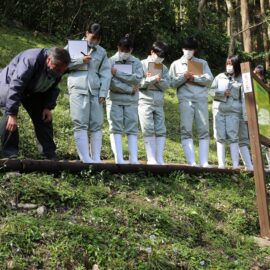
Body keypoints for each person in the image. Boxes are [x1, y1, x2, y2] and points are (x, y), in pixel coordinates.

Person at [0, 47, 70, 160]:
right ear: (48, 60)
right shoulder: (30, 60)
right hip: (10, 84)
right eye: (57, 69)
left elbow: (53, 88)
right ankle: (10, 156)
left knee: (44, 117)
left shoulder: (59, 66)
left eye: (62, 70)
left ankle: (48, 154)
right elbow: (16, 85)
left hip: (33, 89)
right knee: (9, 119)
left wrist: (47, 107)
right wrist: (12, 114)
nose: (59, 73)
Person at [67, 23, 111, 163]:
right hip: (78, 88)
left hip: (96, 90)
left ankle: (96, 158)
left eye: (98, 38)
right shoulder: (74, 46)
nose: (94, 40)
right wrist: (81, 60)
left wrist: (103, 92)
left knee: (97, 123)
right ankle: (85, 158)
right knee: (80, 122)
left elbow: (106, 73)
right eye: (92, 37)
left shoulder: (101, 52)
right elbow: (62, 63)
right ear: (86, 33)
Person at [169, 37, 213, 167]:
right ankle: (191, 162)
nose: (188, 51)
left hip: (201, 99)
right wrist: (184, 77)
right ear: (182, 49)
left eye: (191, 49)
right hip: (185, 100)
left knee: (204, 129)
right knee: (186, 129)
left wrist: (194, 78)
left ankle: (204, 162)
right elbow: (171, 83)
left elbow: (209, 80)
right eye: (186, 49)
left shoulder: (202, 63)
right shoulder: (175, 64)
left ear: (195, 50)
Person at [106, 34, 143, 164]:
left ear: (131, 50)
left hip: (131, 102)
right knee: (115, 127)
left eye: (127, 51)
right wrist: (129, 88)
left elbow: (138, 79)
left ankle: (134, 158)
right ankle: (119, 158)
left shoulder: (137, 62)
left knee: (132, 127)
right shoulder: (110, 61)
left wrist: (118, 73)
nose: (124, 53)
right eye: (122, 50)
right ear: (118, 47)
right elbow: (111, 83)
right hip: (115, 100)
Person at [211, 55, 246, 169]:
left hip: (234, 112)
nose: (228, 66)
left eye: (231, 64)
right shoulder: (219, 77)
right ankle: (221, 164)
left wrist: (245, 115)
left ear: (236, 65)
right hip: (220, 110)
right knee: (219, 136)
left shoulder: (242, 79)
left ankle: (235, 165)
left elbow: (245, 98)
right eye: (227, 63)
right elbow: (211, 92)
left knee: (233, 136)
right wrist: (222, 93)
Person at [139, 41, 170, 164]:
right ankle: (151, 158)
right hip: (144, 101)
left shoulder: (164, 68)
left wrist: (158, 81)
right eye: (159, 55)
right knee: (148, 128)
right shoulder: (141, 64)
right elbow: (138, 83)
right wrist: (151, 79)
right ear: (152, 52)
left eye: (162, 57)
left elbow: (167, 85)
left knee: (161, 129)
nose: (160, 59)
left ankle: (159, 157)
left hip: (158, 102)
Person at [253, 65, 270, 170]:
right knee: (258, 142)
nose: (258, 76)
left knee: (267, 141)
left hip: (266, 117)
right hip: (256, 115)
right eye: (255, 74)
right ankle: (260, 164)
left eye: (259, 74)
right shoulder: (252, 84)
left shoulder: (265, 86)